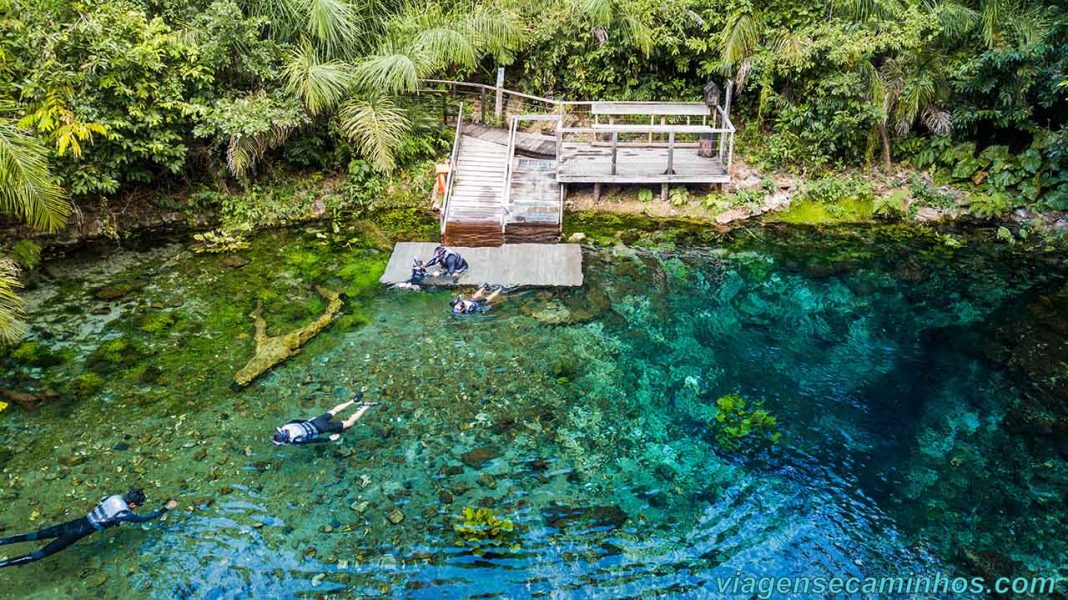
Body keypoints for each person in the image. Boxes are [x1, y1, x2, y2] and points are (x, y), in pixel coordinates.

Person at [0, 488, 177, 568]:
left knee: (35, 535)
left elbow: (103, 505)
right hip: (77, 532)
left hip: (75, 523)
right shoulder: (126, 512)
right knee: (40, 554)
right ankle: (3, 564)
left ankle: (3, 541)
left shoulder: (113, 497)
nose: (136, 508)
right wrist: (165, 509)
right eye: (137, 505)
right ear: (132, 504)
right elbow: (143, 519)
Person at [272, 391, 379, 445]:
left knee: (349, 423)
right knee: (334, 410)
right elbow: (296, 421)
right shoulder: (287, 425)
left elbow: (314, 441)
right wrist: (307, 422)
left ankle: (366, 407)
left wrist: (328, 439)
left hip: (322, 428)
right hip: (316, 421)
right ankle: (353, 400)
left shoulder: (295, 440)